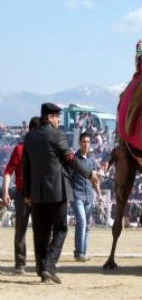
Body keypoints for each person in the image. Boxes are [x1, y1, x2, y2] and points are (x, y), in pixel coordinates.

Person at [23, 103, 99, 284]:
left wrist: (27, 192)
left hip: (37, 193)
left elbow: (25, 168)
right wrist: (89, 174)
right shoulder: (57, 136)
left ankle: (42, 270)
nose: (58, 120)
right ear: (49, 117)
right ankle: (49, 266)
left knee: (41, 232)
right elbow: (71, 159)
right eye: (57, 116)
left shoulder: (30, 137)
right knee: (60, 229)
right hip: (57, 191)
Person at [2, 116, 40, 274]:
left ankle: (42, 264)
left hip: (39, 195)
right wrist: (5, 191)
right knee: (20, 229)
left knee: (41, 230)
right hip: (21, 194)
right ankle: (20, 264)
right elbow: (8, 171)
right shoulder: (19, 149)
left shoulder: (43, 152)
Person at [72, 132, 103, 262]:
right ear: (80, 143)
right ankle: (79, 252)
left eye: (88, 142)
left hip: (89, 195)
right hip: (77, 194)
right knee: (82, 221)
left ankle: (83, 251)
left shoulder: (92, 159)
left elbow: (95, 180)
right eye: (83, 141)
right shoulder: (74, 158)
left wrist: (100, 195)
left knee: (87, 226)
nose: (86, 144)